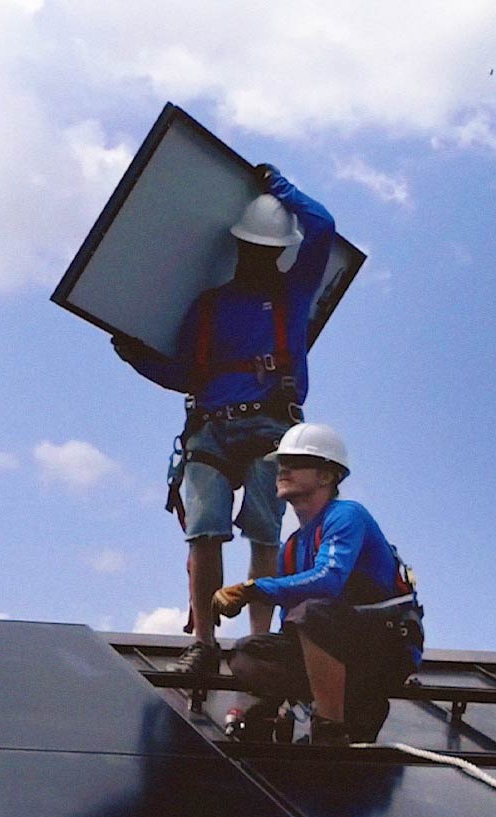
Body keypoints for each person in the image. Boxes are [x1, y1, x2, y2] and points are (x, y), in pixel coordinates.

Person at [113, 165, 334, 676]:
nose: (255, 258)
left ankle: (257, 643)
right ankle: (206, 643)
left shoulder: (293, 294)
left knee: (263, 531)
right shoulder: (210, 306)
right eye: (250, 248)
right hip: (210, 427)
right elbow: (187, 374)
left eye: (264, 249)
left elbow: (321, 225)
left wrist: (279, 186)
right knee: (205, 531)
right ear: (239, 247)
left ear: (278, 253)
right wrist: (134, 357)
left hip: (268, 429)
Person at [212, 423, 423, 745]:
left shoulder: (346, 515)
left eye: (295, 463)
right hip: (335, 642)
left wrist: (255, 589)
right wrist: (276, 698)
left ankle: (330, 729)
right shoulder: (294, 546)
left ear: (326, 476)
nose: (283, 470)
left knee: (312, 613)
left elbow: (328, 580)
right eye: (281, 463)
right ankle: (313, 706)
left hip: (386, 646)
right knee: (246, 654)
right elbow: (290, 626)